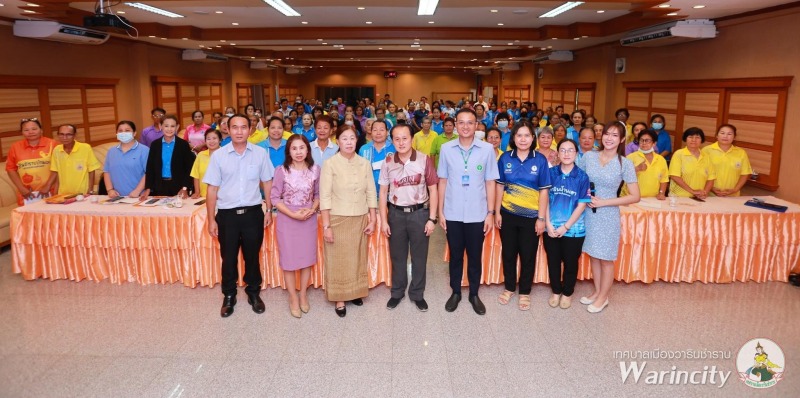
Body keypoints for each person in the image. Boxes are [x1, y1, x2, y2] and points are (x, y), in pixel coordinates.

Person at [204, 113, 274, 318]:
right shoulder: (219, 155)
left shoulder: (260, 154)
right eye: (235, 127)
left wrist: (268, 209)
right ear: (227, 128)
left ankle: (253, 292)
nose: (239, 131)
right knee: (228, 257)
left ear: (250, 129)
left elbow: (267, 183)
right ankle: (229, 295)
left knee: (252, 256)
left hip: (253, 213)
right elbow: (211, 190)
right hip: (227, 215)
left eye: (244, 127)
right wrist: (211, 219)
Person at [437, 108, 499, 315]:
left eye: (470, 123)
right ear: (455, 124)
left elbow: (490, 182)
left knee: (474, 255)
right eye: (461, 122)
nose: (465, 126)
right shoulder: (446, 149)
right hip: (453, 211)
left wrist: (490, 213)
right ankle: (455, 291)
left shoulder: (487, 149)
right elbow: (442, 181)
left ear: (476, 125)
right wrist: (440, 211)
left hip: (477, 213)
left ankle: (474, 293)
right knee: (455, 256)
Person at [576, 121, 640, 313]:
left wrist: (604, 202)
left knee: (606, 258)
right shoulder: (589, 156)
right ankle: (597, 292)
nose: (609, 138)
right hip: (588, 213)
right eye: (606, 134)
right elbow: (576, 177)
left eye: (614, 135)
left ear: (621, 139)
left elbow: (635, 196)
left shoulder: (625, 163)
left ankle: (604, 297)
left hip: (608, 215)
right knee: (593, 255)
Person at [379, 123, 439, 311]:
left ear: (412, 139)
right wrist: (383, 219)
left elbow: (433, 189)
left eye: (405, 138)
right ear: (392, 141)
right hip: (395, 214)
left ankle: (417, 293)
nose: (401, 142)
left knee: (419, 257)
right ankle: (397, 292)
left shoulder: (424, 159)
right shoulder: (388, 162)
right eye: (396, 138)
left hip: (419, 214)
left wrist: (432, 218)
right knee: (397, 256)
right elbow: (382, 193)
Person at [320, 126, 377, 317]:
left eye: (352, 138)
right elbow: (325, 196)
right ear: (338, 141)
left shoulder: (364, 163)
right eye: (344, 139)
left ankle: (355, 292)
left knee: (357, 257)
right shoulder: (330, 164)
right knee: (338, 260)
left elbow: (371, 191)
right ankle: (339, 298)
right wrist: (326, 225)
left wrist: (373, 218)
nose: (349, 142)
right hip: (337, 218)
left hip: (360, 217)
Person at [494, 120, 551, 311]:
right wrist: (496, 212)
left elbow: (544, 191)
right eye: (519, 135)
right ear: (513, 138)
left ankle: (525, 291)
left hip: (531, 217)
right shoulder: (505, 158)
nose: (523, 139)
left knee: (527, 255)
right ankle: (510, 287)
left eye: (527, 135)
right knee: (509, 254)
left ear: (533, 138)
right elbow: (499, 186)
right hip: (507, 214)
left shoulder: (540, 160)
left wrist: (541, 218)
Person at [270, 135, 320, 318]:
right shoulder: (281, 170)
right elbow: (275, 198)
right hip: (287, 218)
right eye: (294, 148)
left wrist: (311, 209)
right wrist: (292, 214)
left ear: (308, 150)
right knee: (289, 261)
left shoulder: (315, 170)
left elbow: (318, 195)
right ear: (288, 151)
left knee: (307, 258)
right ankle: (292, 297)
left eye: (302, 148)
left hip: (308, 218)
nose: (298, 152)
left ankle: (303, 294)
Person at [544, 138, 590, 309]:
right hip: (551, 228)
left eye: (570, 150)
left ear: (576, 153)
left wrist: (566, 226)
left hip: (574, 229)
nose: (566, 154)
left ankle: (568, 292)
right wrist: (548, 224)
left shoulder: (582, 176)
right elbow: (544, 200)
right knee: (553, 261)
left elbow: (582, 204)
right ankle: (556, 291)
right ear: (558, 153)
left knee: (571, 262)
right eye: (563, 150)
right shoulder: (550, 173)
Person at [141, 115, 195, 199]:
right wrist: (148, 188)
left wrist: (185, 187)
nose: (169, 129)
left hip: (179, 187)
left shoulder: (183, 144)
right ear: (160, 126)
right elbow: (150, 168)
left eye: (172, 126)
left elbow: (189, 168)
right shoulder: (155, 145)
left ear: (177, 127)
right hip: (158, 187)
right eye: (166, 126)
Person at [6, 118, 57, 204]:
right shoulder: (15, 147)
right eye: (26, 130)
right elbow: (10, 169)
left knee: (52, 216)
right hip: (27, 193)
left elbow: (59, 167)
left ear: (41, 130)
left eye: (34, 129)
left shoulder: (53, 144)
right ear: (22, 132)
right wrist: (22, 189)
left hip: (51, 190)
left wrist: (48, 185)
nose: (31, 132)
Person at [41, 124, 101, 196]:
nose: (65, 137)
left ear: (74, 135)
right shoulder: (57, 150)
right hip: (63, 194)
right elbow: (55, 171)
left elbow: (91, 171)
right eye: (61, 134)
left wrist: (90, 190)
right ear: (58, 135)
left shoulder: (85, 148)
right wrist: (54, 191)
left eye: (68, 134)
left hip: (82, 193)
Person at [703, 124, 752, 197]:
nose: (725, 136)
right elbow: (701, 172)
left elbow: (745, 174)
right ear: (717, 135)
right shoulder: (706, 150)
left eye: (729, 134)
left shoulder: (741, 153)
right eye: (722, 133)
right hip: (710, 194)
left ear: (734, 137)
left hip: (733, 196)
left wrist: (735, 189)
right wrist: (711, 188)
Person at [104, 121, 148, 198]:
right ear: (116, 133)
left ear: (134, 133)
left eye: (127, 130)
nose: (123, 133)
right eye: (120, 131)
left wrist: (137, 191)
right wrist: (110, 190)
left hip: (138, 196)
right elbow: (107, 171)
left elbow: (149, 173)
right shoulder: (111, 151)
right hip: (117, 197)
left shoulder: (144, 150)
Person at [669, 127, 716, 199]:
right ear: (685, 139)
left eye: (697, 137)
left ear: (702, 140)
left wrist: (704, 192)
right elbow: (674, 176)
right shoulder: (679, 154)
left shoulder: (706, 156)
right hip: (679, 197)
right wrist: (692, 191)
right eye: (690, 137)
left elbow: (711, 178)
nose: (694, 140)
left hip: (699, 197)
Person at [625, 129, 668, 199]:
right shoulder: (630, 157)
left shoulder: (661, 159)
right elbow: (623, 176)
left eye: (647, 140)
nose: (644, 143)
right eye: (641, 140)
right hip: (632, 198)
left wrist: (661, 193)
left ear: (654, 143)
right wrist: (637, 168)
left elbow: (664, 179)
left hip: (653, 199)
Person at [358, 117, 395, 193]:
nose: (378, 133)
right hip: (368, 194)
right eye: (375, 130)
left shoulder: (394, 149)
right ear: (371, 132)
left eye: (381, 130)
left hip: (390, 193)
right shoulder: (364, 149)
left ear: (387, 132)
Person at [190, 129, 222, 198]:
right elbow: (196, 175)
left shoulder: (225, 155)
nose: (211, 141)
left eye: (214, 138)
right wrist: (197, 192)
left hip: (221, 197)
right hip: (203, 196)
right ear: (205, 141)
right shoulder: (200, 155)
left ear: (220, 140)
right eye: (208, 139)